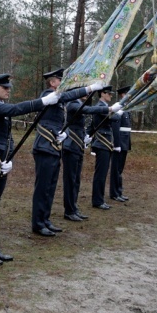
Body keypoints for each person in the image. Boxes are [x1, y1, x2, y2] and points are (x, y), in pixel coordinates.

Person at [0, 74, 60, 265]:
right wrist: (42, 101)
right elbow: (15, 109)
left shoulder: (0, 108)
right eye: (4, 87)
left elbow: (6, 137)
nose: (8, 90)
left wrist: (9, 158)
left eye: (8, 87)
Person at [31, 69, 103, 236]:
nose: (63, 84)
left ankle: (45, 220)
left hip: (54, 146)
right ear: (52, 83)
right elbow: (67, 96)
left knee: (50, 186)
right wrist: (90, 88)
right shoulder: (49, 95)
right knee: (42, 187)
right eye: (60, 80)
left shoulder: (58, 98)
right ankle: (38, 222)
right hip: (44, 146)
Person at [62, 92, 115, 221]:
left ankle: (73, 208)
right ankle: (69, 211)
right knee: (70, 180)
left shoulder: (78, 103)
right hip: (71, 146)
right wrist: (109, 109)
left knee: (76, 180)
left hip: (77, 145)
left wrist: (86, 135)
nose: (86, 94)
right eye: (82, 91)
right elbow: (89, 110)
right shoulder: (73, 104)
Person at [90, 86, 122, 209]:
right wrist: (117, 111)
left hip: (105, 143)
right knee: (100, 174)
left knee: (102, 173)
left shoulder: (103, 106)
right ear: (102, 94)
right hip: (102, 143)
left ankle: (99, 199)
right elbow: (114, 118)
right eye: (108, 93)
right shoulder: (100, 107)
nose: (111, 95)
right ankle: (97, 200)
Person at [110, 85, 131, 202]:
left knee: (120, 169)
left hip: (125, 142)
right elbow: (115, 127)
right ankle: (114, 193)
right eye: (128, 94)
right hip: (119, 143)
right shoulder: (118, 107)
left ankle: (119, 191)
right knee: (116, 169)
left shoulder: (126, 108)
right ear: (123, 95)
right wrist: (116, 144)